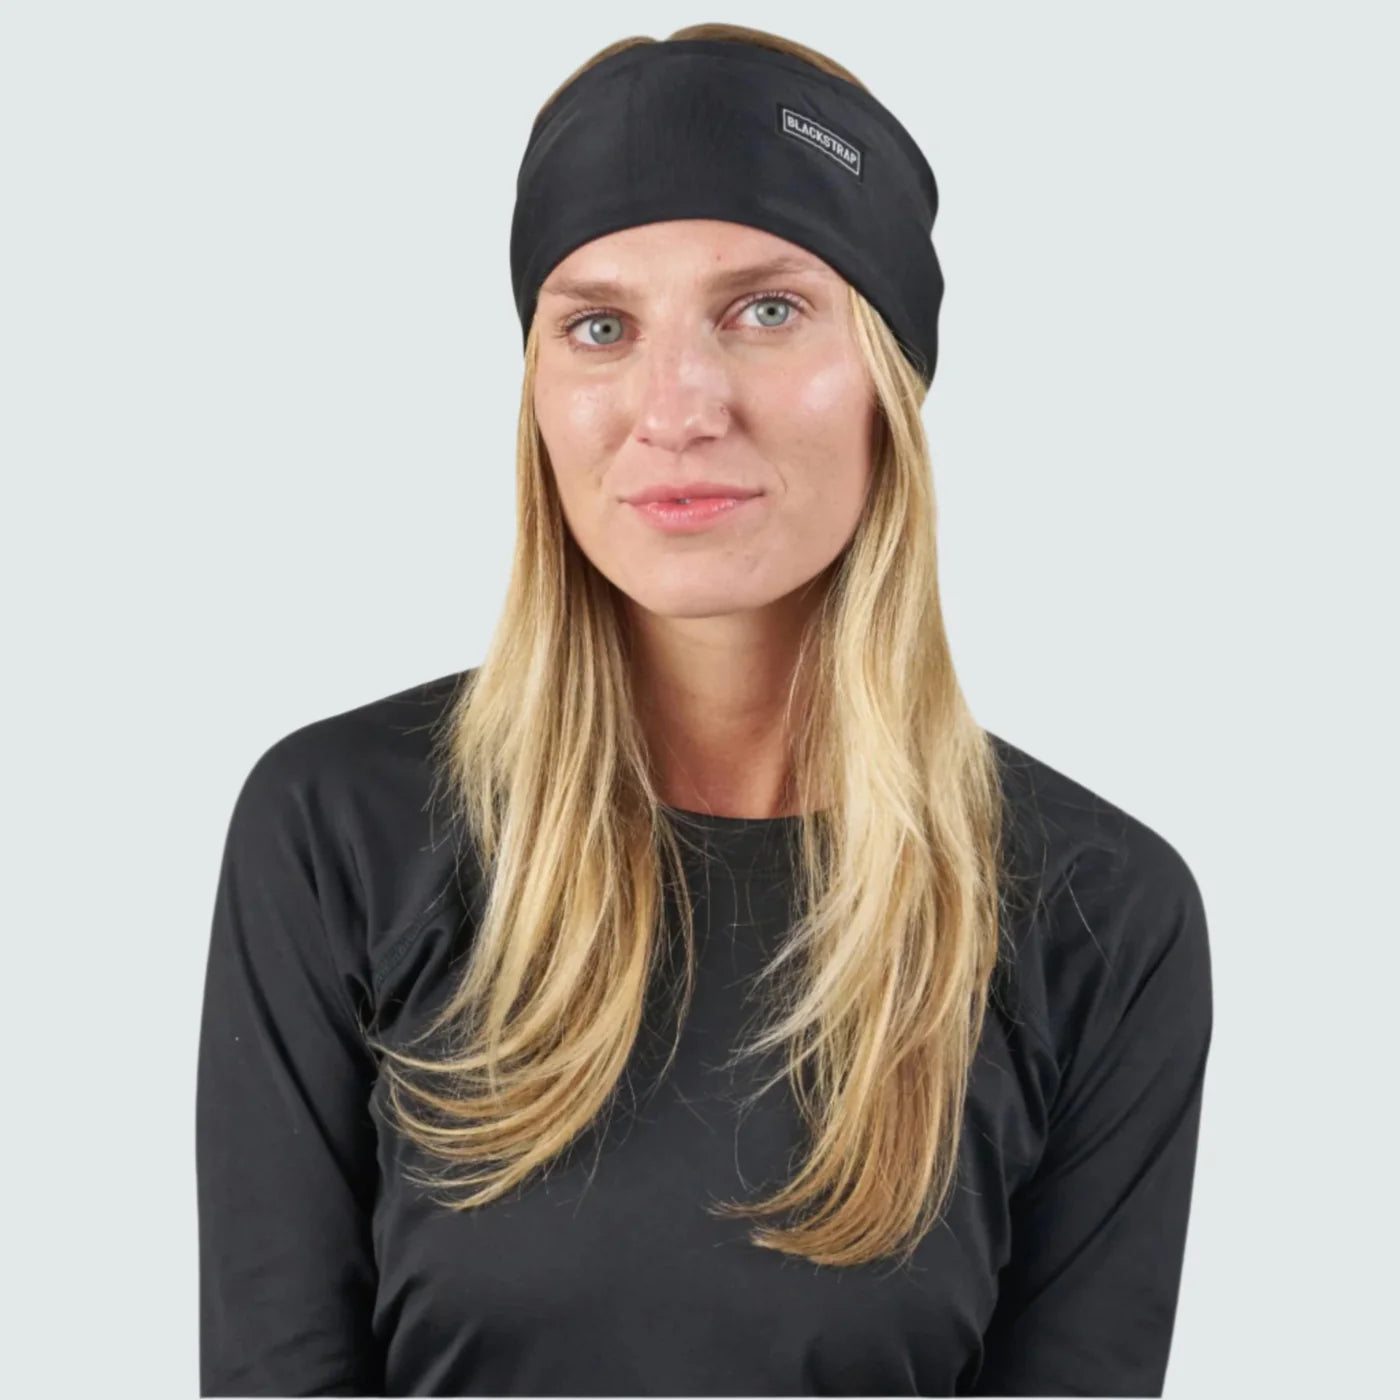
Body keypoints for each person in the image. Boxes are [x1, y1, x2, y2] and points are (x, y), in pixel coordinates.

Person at [196, 22, 1214, 1398]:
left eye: (766, 311)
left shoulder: (1097, 915)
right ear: (539, 394)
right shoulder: (339, 832)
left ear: (890, 378)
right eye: (600, 327)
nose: (675, 407)